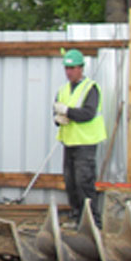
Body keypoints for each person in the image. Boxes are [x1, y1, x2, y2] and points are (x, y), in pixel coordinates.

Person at [52, 48, 107, 225]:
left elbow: (88, 113)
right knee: (71, 183)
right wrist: (58, 119)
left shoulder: (91, 88)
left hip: (86, 142)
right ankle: (76, 217)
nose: (69, 72)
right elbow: (56, 110)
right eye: (67, 69)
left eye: (72, 68)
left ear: (81, 68)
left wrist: (68, 112)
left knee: (84, 182)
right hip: (69, 142)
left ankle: (92, 222)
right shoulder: (63, 90)